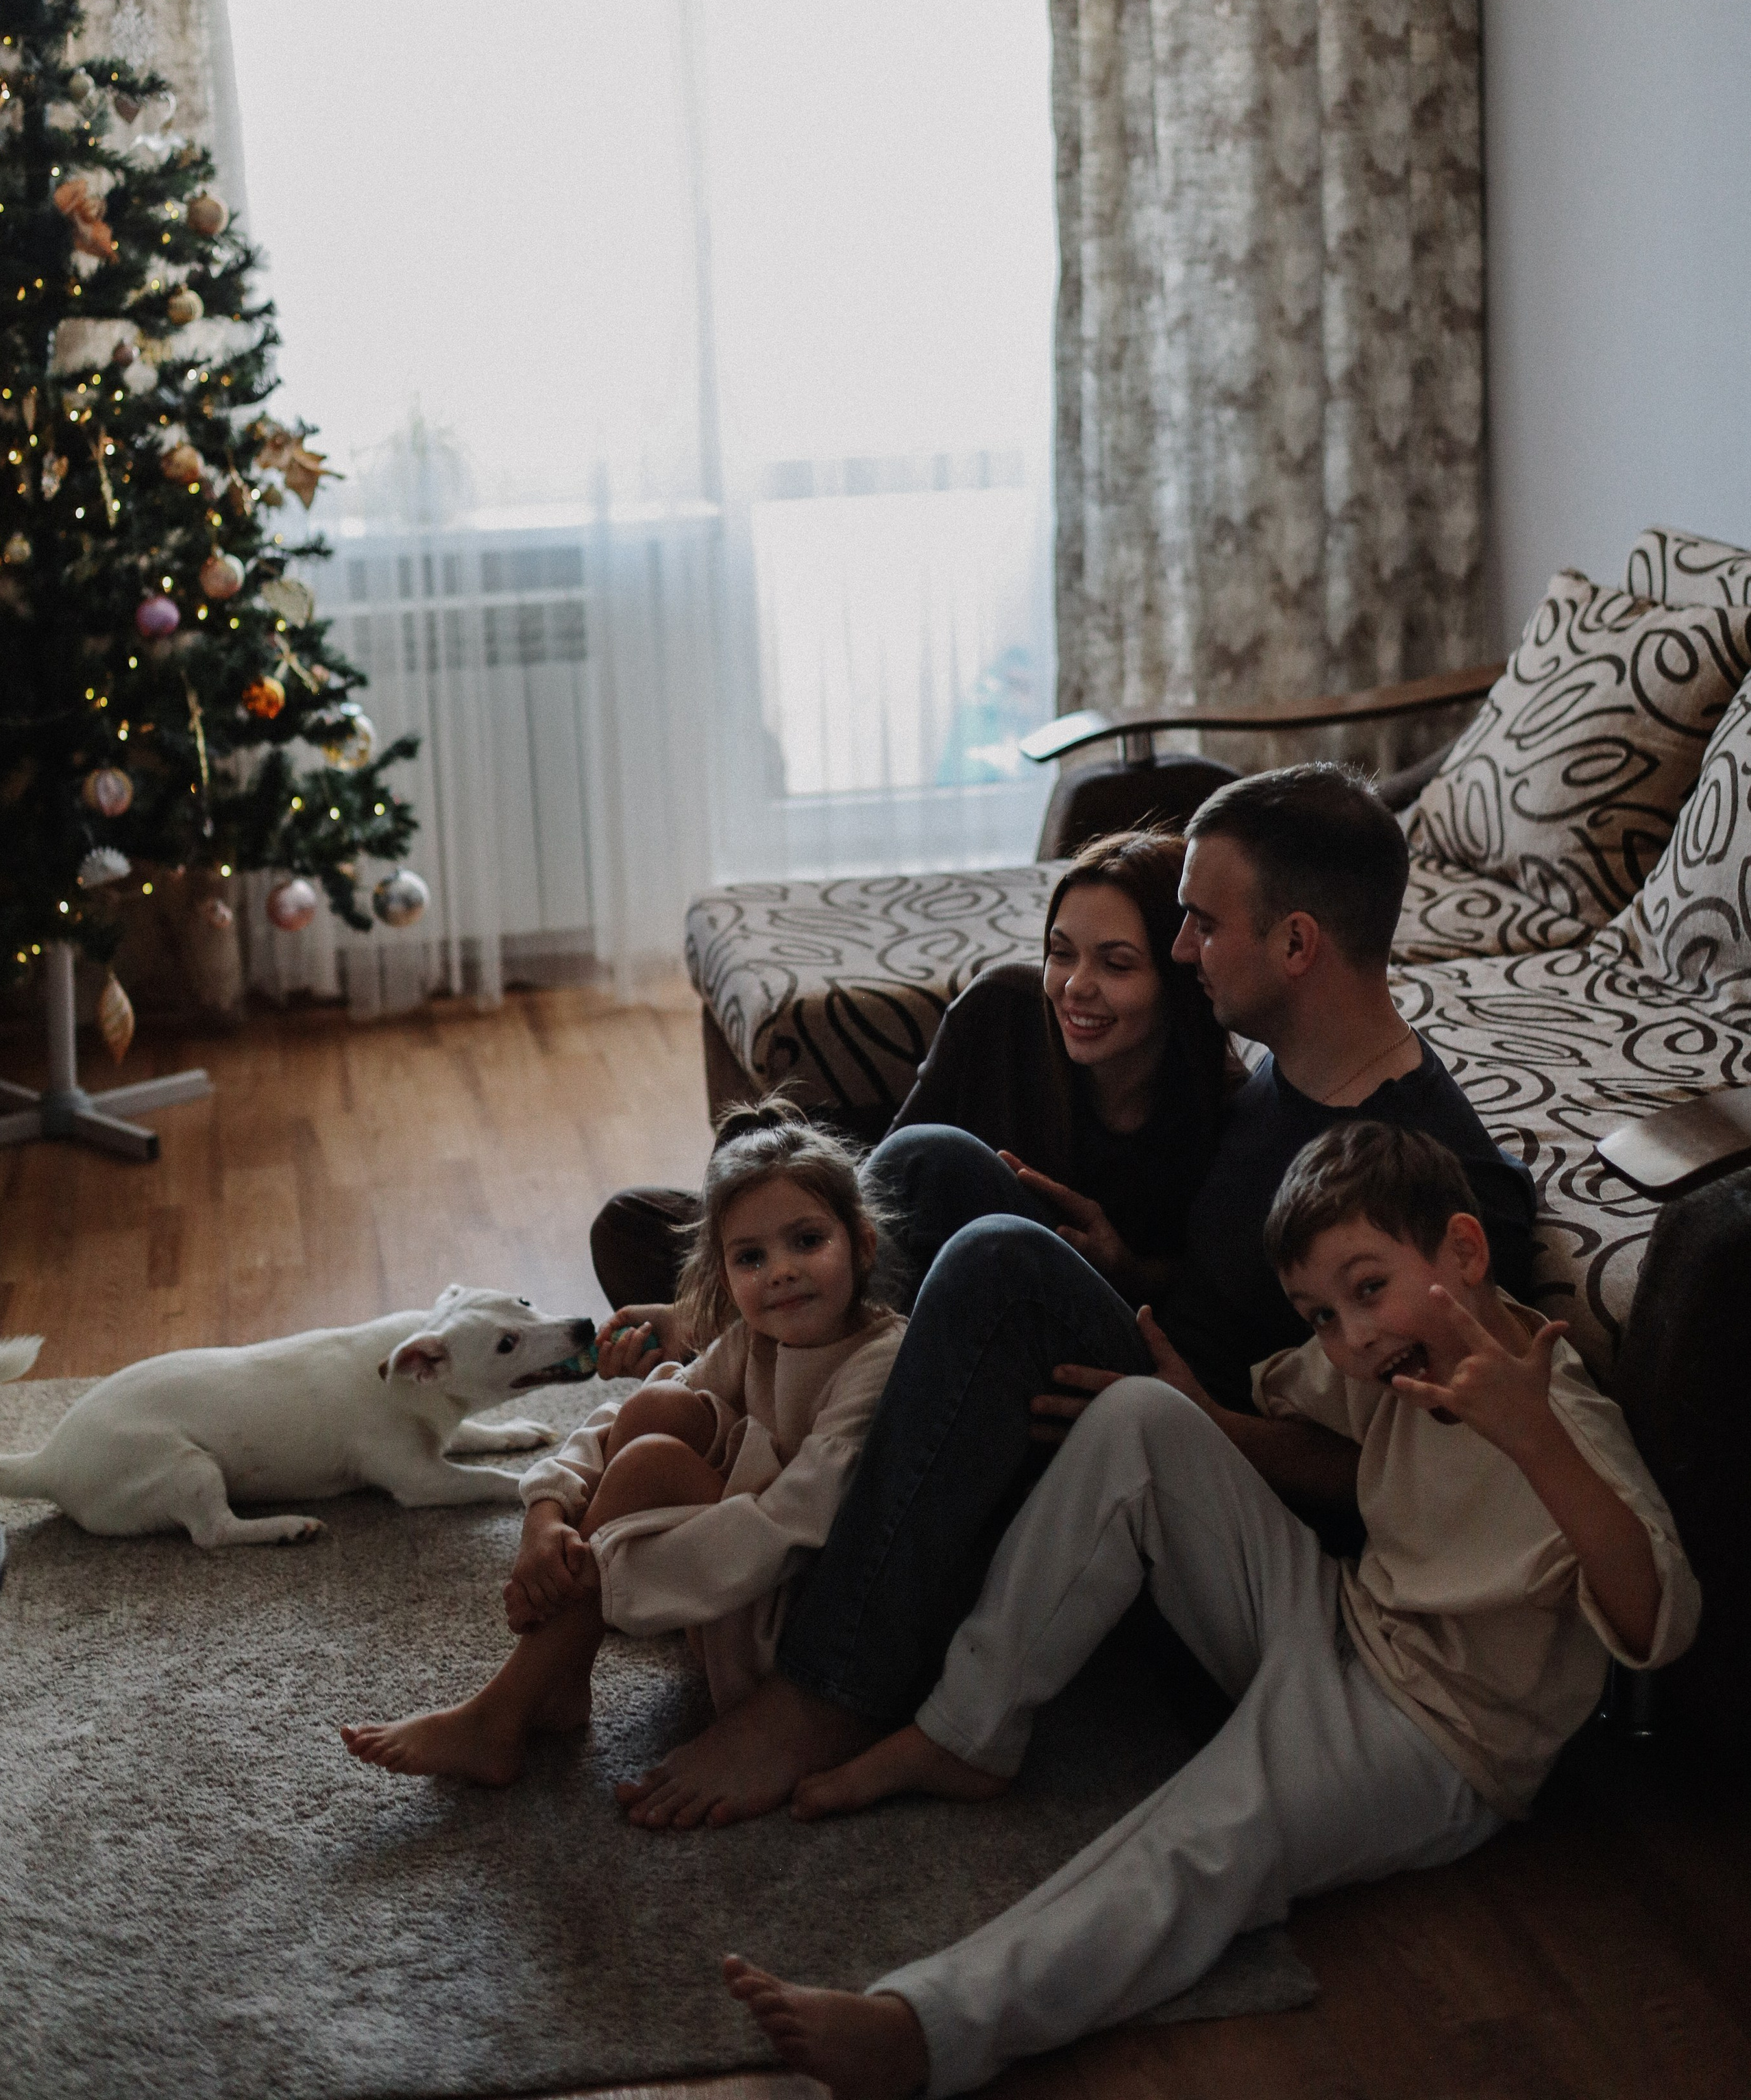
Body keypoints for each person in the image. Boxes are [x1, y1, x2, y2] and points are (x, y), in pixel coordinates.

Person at [613, 764, 1543, 1831]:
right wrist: (1141, 1273)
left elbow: (1414, 1478)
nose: (1184, 948)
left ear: (1295, 945)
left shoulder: (1445, 1192)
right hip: (1159, 1374)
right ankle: (762, 1415)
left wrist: (1211, 1423)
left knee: (999, 1261)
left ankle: (831, 1685)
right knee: (928, 1166)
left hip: (1215, 1481)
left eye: (1200, 924)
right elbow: (1239, 1288)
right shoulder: (1281, 1080)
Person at [718, 1123, 1700, 2098]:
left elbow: (1657, 1619)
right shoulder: (1396, 1353)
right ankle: (968, 1726)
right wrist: (1204, 1412)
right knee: (1142, 1418)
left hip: (1438, 1737)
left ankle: (927, 2028)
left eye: (1368, 1290)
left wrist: (1537, 1443)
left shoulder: (1557, 1416)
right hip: (1340, 1615)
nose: (1352, 1336)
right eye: (1321, 1315)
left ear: (1466, 1251)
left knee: (1200, 1840)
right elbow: (1326, 1442)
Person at [339, 1107, 904, 1787]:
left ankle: (503, 1712)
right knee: (660, 1405)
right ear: (723, 1281)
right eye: (751, 1257)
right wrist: (546, 1513)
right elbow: (618, 1417)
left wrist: (600, 1572)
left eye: (807, 1241)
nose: (780, 1272)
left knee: (652, 1462)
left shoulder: (878, 1358)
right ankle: (560, 1677)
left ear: (864, 1244)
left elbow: (795, 1523)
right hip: (715, 1581)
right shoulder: (753, 1339)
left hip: (788, 1620)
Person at [591, 829, 1231, 1318]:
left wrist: (1127, 1266)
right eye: (1060, 955)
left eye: (1116, 965)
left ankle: (741, 1343)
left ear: (1178, 977)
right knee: (640, 1222)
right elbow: (878, 1186)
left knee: (938, 1160)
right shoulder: (1005, 1008)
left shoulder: (1222, 1112)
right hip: (901, 1270)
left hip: (1014, 1318)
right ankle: (754, 1337)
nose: (1074, 988)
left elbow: (1213, 1305)